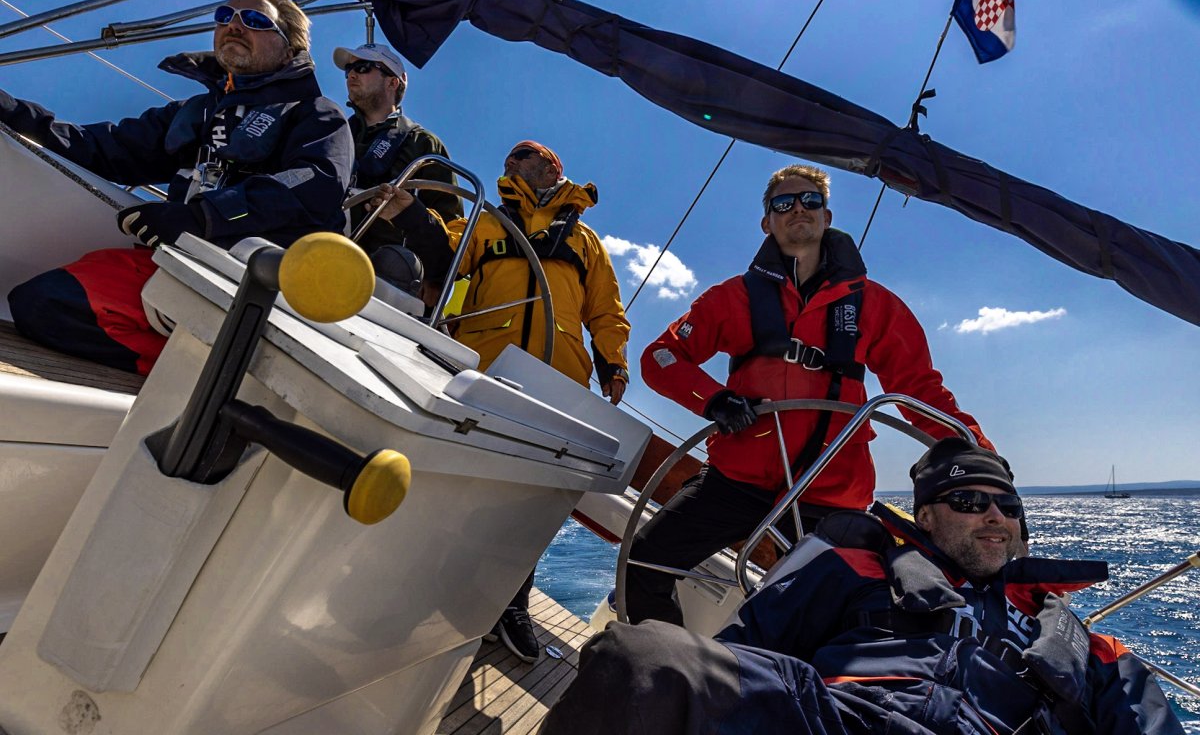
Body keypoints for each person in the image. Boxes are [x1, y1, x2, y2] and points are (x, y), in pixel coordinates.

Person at [542, 438, 1185, 735]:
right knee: (641, 657)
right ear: (925, 517)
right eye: (968, 501)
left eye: (1007, 505)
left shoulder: (1085, 646)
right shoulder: (855, 565)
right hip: (840, 718)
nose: (994, 516)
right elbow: (745, 651)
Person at [629, 164, 994, 625]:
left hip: (833, 490)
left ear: (827, 216)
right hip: (737, 478)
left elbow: (919, 391)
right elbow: (661, 357)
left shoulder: (874, 305)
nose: (798, 209)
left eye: (810, 201)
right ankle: (661, 662)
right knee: (644, 563)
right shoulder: (732, 299)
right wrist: (713, 399)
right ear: (767, 222)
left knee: (831, 618)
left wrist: (981, 455)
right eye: (784, 203)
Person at [2, 0, 352, 375]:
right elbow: (102, 147)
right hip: (181, 263)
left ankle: (219, 371)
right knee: (41, 301)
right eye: (224, 16)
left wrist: (203, 217)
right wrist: (10, 111)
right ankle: (205, 364)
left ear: (290, 50)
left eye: (254, 20)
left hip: (259, 283)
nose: (234, 26)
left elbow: (313, 184)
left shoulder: (316, 115)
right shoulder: (196, 113)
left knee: (45, 304)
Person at [376, 139, 631, 662]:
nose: (511, 161)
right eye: (509, 157)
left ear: (553, 165)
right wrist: (411, 216)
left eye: (523, 154)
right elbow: (445, 256)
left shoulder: (586, 242)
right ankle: (415, 592)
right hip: (487, 370)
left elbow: (605, 310)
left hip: (559, 382)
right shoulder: (487, 221)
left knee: (529, 502)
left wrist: (614, 363)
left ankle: (509, 603)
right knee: (459, 483)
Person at [332, 42, 460, 275]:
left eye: (363, 67)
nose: (351, 74)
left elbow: (451, 234)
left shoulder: (424, 144)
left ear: (393, 82)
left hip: (385, 277)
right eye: (348, 70)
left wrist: (409, 214)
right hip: (323, 256)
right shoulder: (331, 133)